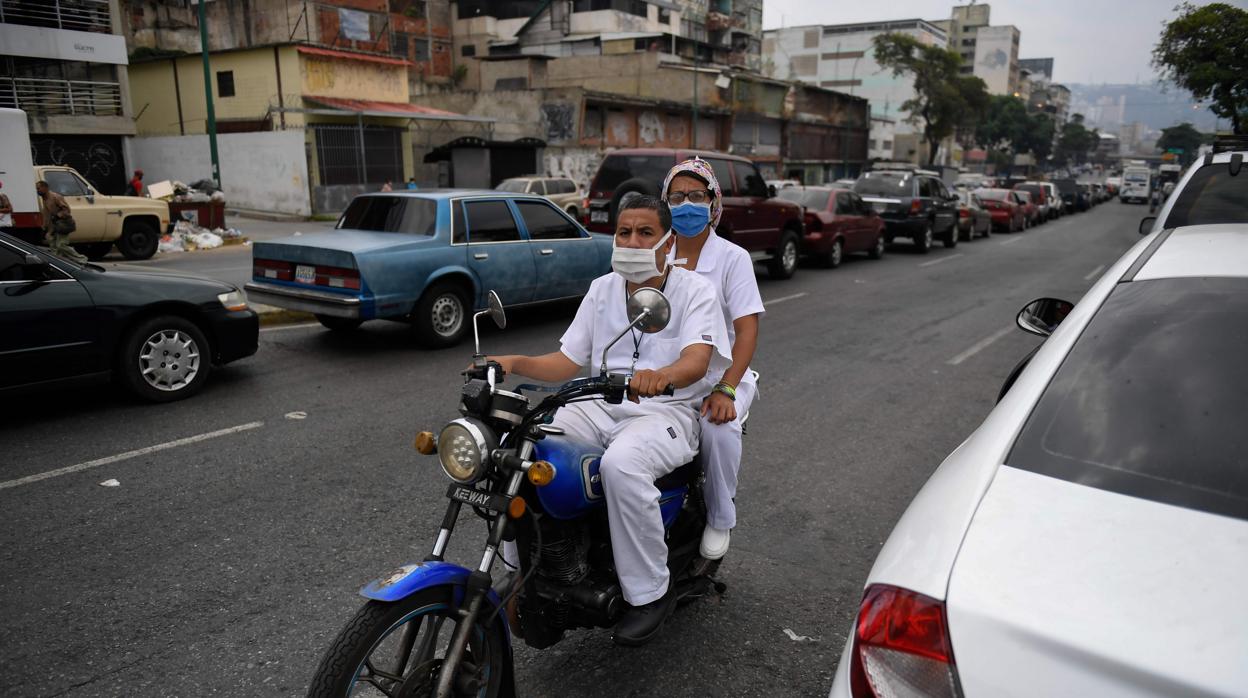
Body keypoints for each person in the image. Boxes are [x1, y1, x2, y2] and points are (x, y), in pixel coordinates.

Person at [490, 196, 730, 646]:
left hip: (667, 410)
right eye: (624, 232)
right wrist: (513, 361)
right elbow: (567, 360)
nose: (632, 241)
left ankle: (649, 592)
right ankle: (517, 569)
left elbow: (697, 361)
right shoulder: (603, 288)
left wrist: (661, 376)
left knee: (620, 465)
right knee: (519, 444)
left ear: (668, 241)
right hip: (599, 402)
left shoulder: (695, 290)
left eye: (644, 233)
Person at [660, 158, 763, 561]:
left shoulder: (732, 258)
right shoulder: (657, 252)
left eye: (696, 195)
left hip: (721, 376)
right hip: (667, 375)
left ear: (713, 201)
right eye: (677, 196)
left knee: (718, 427)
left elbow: (748, 330)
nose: (686, 204)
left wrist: (726, 388)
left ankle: (721, 516)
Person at [36, 180, 88, 263]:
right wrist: (44, 227)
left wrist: (58, 216)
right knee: (53, 246)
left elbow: (66, 210)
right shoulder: (45, 199)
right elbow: (47, 214)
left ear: (45, 188)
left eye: (39, 188)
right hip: (53, 227)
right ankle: (58, 263)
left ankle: (81, 259)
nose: (37, 190)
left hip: (62, 224)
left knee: (61, 245)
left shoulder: (55, 197)